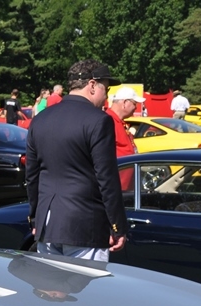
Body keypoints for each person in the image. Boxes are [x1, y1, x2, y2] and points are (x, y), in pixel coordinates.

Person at [26, 59, 127, 262]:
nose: (106, 97)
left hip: (47, 224)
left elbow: (32, 176)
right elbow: (106, 178)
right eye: (104, 89)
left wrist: (36, 218)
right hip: (84, 225)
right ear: (91, 85)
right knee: (88, 292)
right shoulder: (99, 120)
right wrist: (117, 225)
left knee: (50, 288)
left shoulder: (40, 119)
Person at [107, 86, 144, 190]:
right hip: (115, 187)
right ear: (125, 103)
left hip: (124, 188)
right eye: (134, 104)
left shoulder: (119, 122)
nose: (135, 108)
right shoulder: (108, 121)